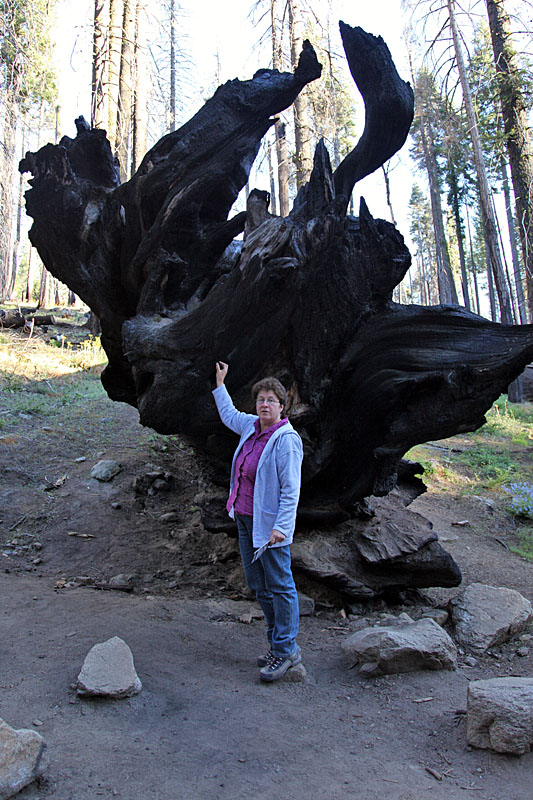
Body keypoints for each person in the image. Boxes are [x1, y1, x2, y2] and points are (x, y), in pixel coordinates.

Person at [213, 361, 303, 682]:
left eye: (271, 401)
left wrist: (282, 527)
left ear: (282, 406)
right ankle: (277, 643)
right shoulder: (251, 426)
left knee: (280, 585)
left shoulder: (286, 441)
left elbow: (291, 490)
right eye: (261, 400)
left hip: (270, 529)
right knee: (258, 584)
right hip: (245, 519)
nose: (265, 405)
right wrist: (221, 383)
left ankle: (285, 650)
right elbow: (229, 416)